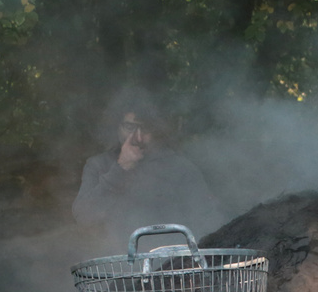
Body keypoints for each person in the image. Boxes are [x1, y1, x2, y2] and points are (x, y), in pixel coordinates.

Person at [72, 89, 225, 244]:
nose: (138, 138)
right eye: (130, 128)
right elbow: (84, 217)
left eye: (145, 129)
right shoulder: (99, 165)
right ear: (117, 127)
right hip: (116, 264)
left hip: (171, 263)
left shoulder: (180, 167)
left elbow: (208, 220)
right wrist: (121, 168)